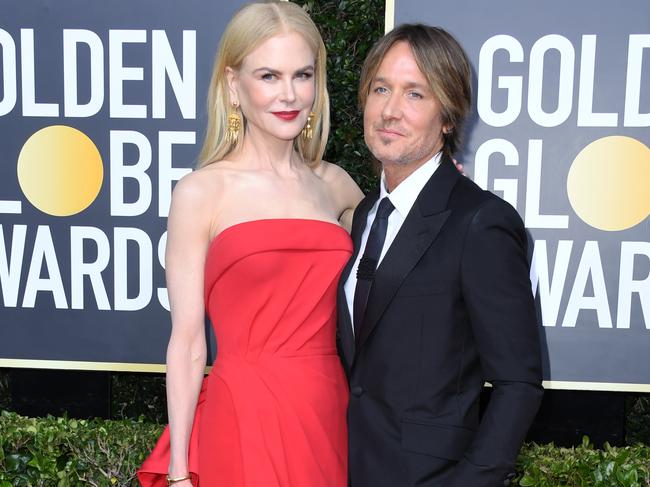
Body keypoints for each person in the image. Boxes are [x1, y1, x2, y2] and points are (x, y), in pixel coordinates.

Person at [137, 2, 363, 486]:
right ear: (234, 85)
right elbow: (188, 341)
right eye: (268, 76)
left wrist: (441, 193)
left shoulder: (336, 186)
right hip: (243, 411)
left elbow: (403, 254)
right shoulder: (202, 192)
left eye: (302, 75)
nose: (289, 95)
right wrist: (179, 472)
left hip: (328, 408)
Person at [338, 24, 544, 486]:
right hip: (349, 469)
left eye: (415, 95)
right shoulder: (367, 213)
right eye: (381, 88)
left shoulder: (481, 222)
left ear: (448, 117)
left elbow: (518, 385)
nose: (390, 110)